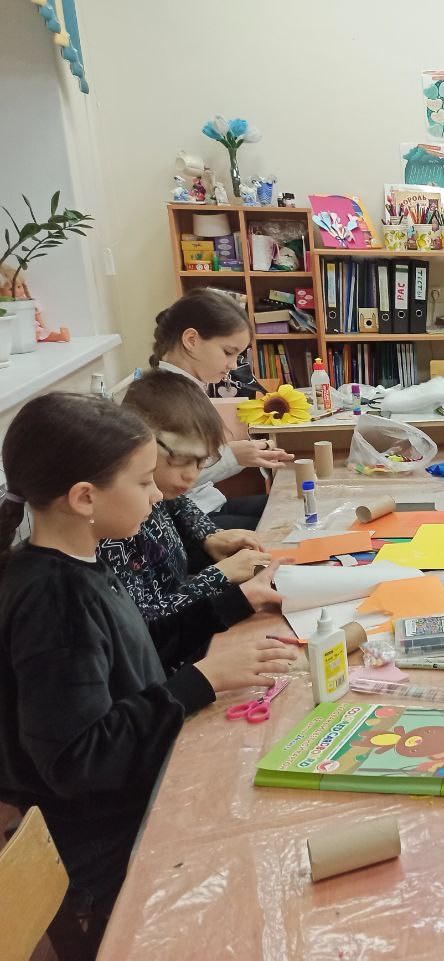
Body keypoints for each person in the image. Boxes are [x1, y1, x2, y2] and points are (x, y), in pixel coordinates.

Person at [0, 393, 295, 959]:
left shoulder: (83, 560)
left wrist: (232, 606)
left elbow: (139, 653)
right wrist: (201, 681)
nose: (157, 494)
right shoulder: (55, 600)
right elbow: (78, 759)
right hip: (110, 834)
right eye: (142, 482)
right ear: (85, 497)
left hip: (138, 786)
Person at [99, 370, 282, 627]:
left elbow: (179, 504)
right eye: (184, 460)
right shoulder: (116, 527)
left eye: (202, 461)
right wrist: (218, 576)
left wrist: (208, 535)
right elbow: (146, 626)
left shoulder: (159, 491)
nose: (192, 475)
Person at [150, 288, 292, 529]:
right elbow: (168, 478)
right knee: (287, 527)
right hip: (186, 521)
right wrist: (233, 456)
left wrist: (238, 453)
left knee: (293, 506)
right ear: (191, 340)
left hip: (207, 506)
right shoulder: (162, 398)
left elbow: (192, 457)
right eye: (228, 352)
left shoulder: (186, 388)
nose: (233, 365)